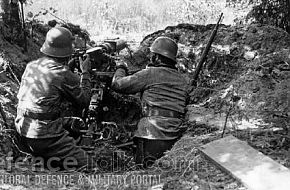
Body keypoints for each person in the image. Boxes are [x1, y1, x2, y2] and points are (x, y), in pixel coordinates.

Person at [14, 26, 92, 171]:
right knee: (89, 165)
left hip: (22, 127)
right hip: (43, 135)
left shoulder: (32, 65)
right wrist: (86, 72)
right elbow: (84, 101)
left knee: (74, 124)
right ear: (67, 51)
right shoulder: (63, 73)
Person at [111, 36, 189, 168]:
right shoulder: (183, 80)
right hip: (175, 134)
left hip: (152, 133)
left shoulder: (150, 73)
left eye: (153, 55)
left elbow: (117, 84)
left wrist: (121, 68)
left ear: (157, 58)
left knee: (143, 172)